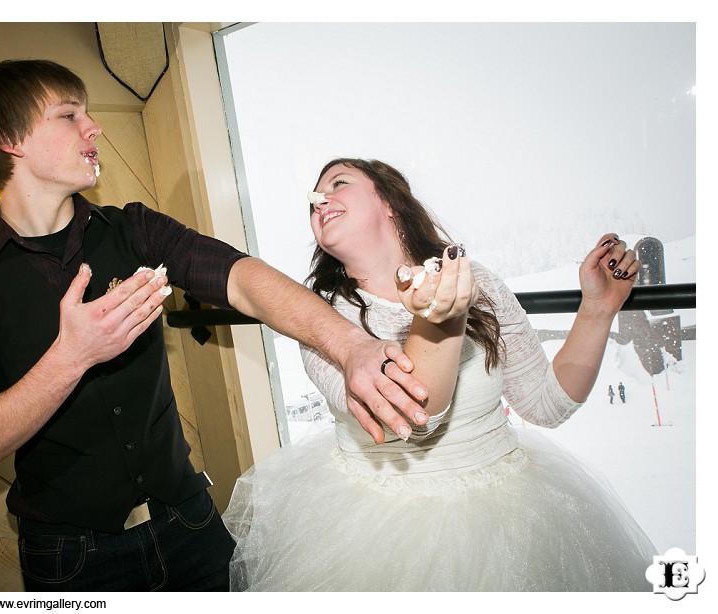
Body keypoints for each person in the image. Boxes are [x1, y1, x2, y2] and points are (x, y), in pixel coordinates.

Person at [0, 64, 431, 592]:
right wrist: (71, 357)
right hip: (72, 561)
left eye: (88, 112)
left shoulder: (134, 228)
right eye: (69, 115)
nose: (93, 128)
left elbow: (241, 279)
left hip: (192, 525)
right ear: (8, 140)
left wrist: (351, 345)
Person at [223, 158, 657, 591]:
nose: (320, 200)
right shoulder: (321, 317)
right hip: (377, 532)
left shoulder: (478, 282)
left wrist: (598, 309)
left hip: (514, 516)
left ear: (390, 202)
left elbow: (547, 403)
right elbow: (410, 419)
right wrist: (441, 321)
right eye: (313, 198)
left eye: (338, 183)